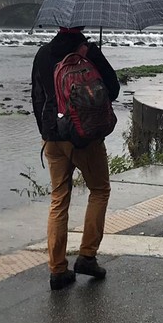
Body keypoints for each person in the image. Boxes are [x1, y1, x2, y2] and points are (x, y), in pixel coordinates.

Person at [30, 26, 121, 290]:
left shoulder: (43, 53)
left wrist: (47, 131)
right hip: (85, 137)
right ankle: (87, 256)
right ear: (81, 26)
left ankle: (58, 270)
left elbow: (37, 96)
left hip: (53, 137)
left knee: (59, 198)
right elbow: (113, 90)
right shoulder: (89, 51)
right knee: (100, 190)